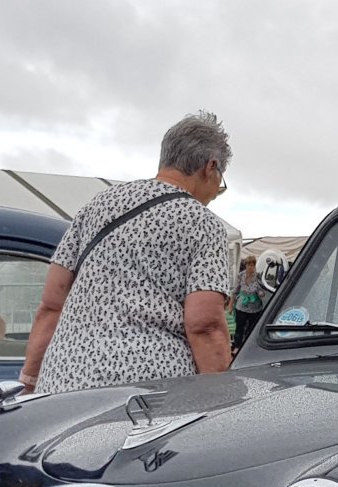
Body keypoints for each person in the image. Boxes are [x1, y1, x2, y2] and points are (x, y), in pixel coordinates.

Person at [19, 112, 234, 393]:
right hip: (146, 394)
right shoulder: (203, 224)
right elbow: (205, 325)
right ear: (210, 167)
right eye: (220, 183)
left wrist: (30, 381)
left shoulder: (98, 204)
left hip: (64, 386)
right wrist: (220, 396)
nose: (216, 192)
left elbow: (51, 304)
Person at [231, 254, 269, 351]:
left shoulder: (258, 276)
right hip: (242, 306)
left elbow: (261, 289)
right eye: (248, 265)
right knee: (239, 327)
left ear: (254, 265)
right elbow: (235, 290)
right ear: (246, 265)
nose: (250, 267)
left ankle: (248, 347)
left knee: (251, 329)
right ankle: (237, 346)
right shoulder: (241, 275)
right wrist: (231, 305)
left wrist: (261, 293)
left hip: (255, 307)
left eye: (252, 265)